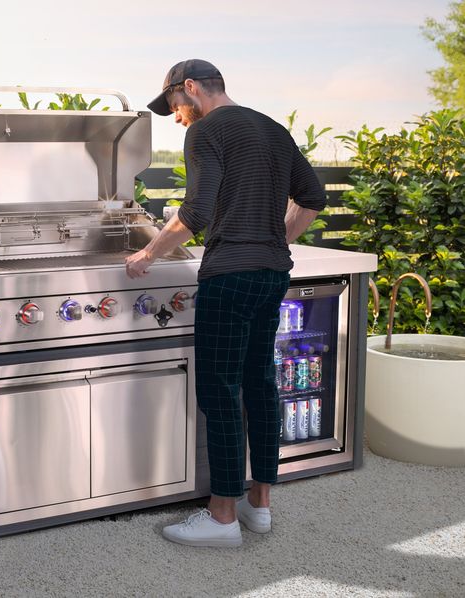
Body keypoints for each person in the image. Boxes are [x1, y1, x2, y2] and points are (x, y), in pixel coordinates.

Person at [125, 59, 325, 547]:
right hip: (273, 275)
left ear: (190, 88)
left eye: (174, 104)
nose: (177, 116)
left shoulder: (207, 130)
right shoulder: (273, 129)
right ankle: (260, 506)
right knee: (260, 383)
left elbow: (195, 212)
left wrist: (147, 253)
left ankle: (221, 519)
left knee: (220, 392)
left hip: (229, 278)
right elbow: (313, 195)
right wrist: (276, 239)